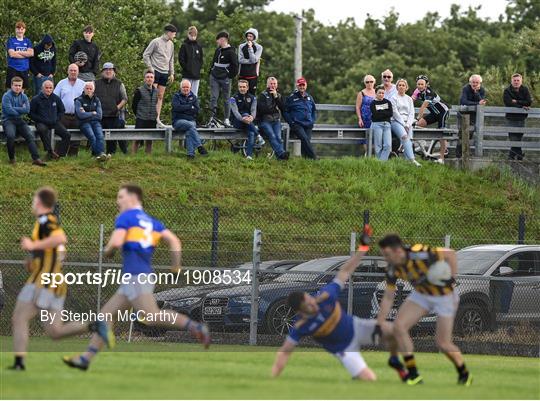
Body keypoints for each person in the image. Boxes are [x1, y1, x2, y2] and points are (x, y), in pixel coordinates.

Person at [63, 184, 211, 371]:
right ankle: (85, 359)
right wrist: (176, 266)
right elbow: (174, 241)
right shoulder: (152, 222)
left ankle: (196, 327)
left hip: (136, 277)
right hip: (137, 277)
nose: (118, 201)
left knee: (152, 315)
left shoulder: (126, 217)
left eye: (120, 197)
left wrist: (107, 250)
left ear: (133, 198)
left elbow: (115, 242)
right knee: (105, 316)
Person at [271, 226, 402, 381]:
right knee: (370, 379)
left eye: (310, 299)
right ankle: (358, 376)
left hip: (357, 327)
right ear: (300, 311)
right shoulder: (301, 325)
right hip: (344, 349)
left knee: (393, 331)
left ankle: (397, 364)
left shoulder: (325, 296)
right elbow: (285, 351)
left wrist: (363, 248)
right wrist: (273, 377)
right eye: (308, 306)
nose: (312, 304)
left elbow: (345, 272)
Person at [9, 187, 112, 371]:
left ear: (39, 203)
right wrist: (31, 254)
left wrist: (33, 245)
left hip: (44, 281)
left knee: (19, 317)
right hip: (55, 282)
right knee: (55, 332)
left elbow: (60, 238)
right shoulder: (41, 224)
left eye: (34, 199)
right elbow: (50, 251)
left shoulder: (45, 220)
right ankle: (94, 325)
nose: (33, 203)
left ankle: (19, 363)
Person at [376, 234, 472, 386]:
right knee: (399, 327)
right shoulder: (392, 269)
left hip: (444, 296)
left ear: (398, 251)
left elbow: (451, 254)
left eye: (387, 255)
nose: (385, 258)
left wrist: (452, 280)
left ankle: (464, 373)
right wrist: (379, 322)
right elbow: (388, 297)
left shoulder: (419, 252)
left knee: (443, 343)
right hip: (421, 295)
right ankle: (413, 374)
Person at [2, 77, 46, 166]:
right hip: (8, 120)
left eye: (19, 85)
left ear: (22, 86)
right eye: (15, 85)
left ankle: (36, 159)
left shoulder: (24, 96)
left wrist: (15, 109)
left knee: (30, 136)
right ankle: (12, 159)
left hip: (19, 120)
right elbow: (8, 110)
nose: (17, 87)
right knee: (10, 136)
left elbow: (27, 110)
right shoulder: (6, 96)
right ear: (11, 86)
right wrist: (21, 109)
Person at [143, 24, 177, 127]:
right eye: (174, 34)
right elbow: (146, 54)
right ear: (169, 32)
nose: (175, 36)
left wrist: (172, 73)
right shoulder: (156, 41)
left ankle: (157, 119)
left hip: (164, 72)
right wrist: (150, 68)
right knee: (151, 95)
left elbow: (171, 59)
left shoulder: (171, 44)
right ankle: (149, 118)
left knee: (160, 96)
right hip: (155, 70)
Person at [29, 80, 71, 159]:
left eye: (50, 88)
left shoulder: (56, 98)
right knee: (42, 130)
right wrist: (40, 119)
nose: (48, 89)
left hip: (54, 122)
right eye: (46, 88)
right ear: (42, 88)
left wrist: (57, 118)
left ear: (53, 88)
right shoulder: (36, 99)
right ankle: (50, 151)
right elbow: (31, 113)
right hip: (41, 122)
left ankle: (60, 155)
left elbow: (62, 110)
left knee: (67, 135)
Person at [412, 75, 448, 164]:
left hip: (443, 112)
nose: (420, 86)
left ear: (426, 85)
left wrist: (417, 118)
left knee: (441, 133)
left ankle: (442, 158)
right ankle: (422, 143)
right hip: (434, 113)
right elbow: (410, 101)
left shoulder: (429, 92)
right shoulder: (417, 91)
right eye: (418, 84)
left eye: (422, 84)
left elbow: (423, 106)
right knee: (418, 125)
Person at [94, 62, 128, 154]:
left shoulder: (119, 84)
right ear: (102, 72)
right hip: (99, 116)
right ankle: (97, 155)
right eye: (106, 70)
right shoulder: (95, 83)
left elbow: (124, 99)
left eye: (110, 70)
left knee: (112, 140)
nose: (108, 71)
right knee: (97, 137)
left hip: (113, 116)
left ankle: (111, 156)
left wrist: (117, 108)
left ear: (114, 72)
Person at [53, 64, 86, 156]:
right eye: (71, 70)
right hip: (64, 115)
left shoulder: (83, 84)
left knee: (76, 138)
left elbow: (88, 99)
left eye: (75, 70)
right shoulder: (61, 83)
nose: (73, 72)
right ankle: (58, 155)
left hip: (77, 115)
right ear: (67, 71)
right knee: (61, 135)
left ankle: (73, 156)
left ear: (78, 72)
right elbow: (55, 98)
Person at [172, 79, 207, 159]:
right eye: (184, 87)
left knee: (189, 130)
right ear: (181, 88)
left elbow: (197, 110)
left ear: (190, 88)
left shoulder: (193, 97)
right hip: (178, 121)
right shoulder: (176, 96)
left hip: (191, 121)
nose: (185, 89)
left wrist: (184, 108)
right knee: (191, 126)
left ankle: (190, 155)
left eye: (187, 87)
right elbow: (177, 108)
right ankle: (199, 146)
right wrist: (189, 107)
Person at [283, 77, 317, 160]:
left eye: (303, 85)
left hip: (308, 124)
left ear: (306, 85)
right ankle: (314, 158)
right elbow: (285, 111)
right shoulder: (291, 98)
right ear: (297, 86)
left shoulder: (309, 97)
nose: (302, 87)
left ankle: (305, 161)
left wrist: (312, 121)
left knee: (306, 141)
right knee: (305, 139)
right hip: (297, 124)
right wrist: (291, 122)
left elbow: (314, 110)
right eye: (300, 85)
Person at [75, 81, 109, 161]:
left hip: (95, 122)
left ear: (93, 90)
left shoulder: (97, 100)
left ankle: (98, 155)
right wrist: (92, 113)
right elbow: (80, 115)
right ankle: (100, 155)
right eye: (87, 88)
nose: (89, 90)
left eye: (90, 88)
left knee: (100, 136)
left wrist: (86, 114)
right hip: (83, 123)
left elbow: (99, 116)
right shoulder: (78, 100)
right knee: (92, 137)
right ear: (84, 89)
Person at [209, 31, 238, 126]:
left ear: (223, 40)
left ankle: (226, 119)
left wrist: (229, 76)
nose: (217, 42)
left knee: (226, 99)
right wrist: (211, 71)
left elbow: (235, 66)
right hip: (214, 77)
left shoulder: (231, 52)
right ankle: (212, 118)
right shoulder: (217, 50)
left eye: (218, 40)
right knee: (214, 98)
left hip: (225, 78)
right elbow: (213, 62)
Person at [257, 77, 289, 160]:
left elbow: (282, 107)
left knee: (278, 137)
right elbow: (263, 110)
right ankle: (282, 154)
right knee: (272, 135)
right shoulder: (262, 95)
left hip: (276, 121)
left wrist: (275, 97)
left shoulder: (279, 95)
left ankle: (281, 158)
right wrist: (274, 109)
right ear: (267, 84)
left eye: (274, 83)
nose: (273, 85)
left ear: (277, 85)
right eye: (271, 83)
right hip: (265, 121)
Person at [391, 79, 421, 166]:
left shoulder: (409, 99)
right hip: (396, 121)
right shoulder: (393, 98)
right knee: (404, 137)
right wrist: (404, 125)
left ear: (406, 87)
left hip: (408, 122)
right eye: (399, 85)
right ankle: (412, 160)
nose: (401, 86)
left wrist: (408, 124)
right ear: (397, 87)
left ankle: (407, 163)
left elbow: (412, 113)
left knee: (409, 140)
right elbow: (395, 113)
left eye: (403, 85)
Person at [503, 73, 532, 160]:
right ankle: (518, 155)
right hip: (511, 118)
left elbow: (529, 102)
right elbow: (508, 103)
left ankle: (512, 156)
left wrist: (516, 101)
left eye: (518, 80)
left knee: (518, 137)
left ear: (521, 81)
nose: (516, 82)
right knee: (513, 137)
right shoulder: (507, 91)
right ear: (511, 81)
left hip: (521, 118)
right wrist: (521, 105)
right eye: (514, 80)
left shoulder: (525, 89)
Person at [457, 74, 487, 158]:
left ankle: (466, 154)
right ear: (470, 82)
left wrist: (476, 93)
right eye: (473, 82)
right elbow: (463, 101)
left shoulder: (482, 90)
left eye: (477, 82)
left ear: (480, 83)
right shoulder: (466, 88)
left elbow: (482, 102)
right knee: (462, 134)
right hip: (463, 114)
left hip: (474, 116)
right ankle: (459, 155)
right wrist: (477, 103)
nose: (475, 84)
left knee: (470, 134)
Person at [230, 80, 258, 160]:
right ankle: (259, 135)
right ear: (238, 87)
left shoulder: (253, 98)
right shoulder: (233, 98)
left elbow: (253, 111)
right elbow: (235, 112)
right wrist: (243, 118)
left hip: (249, 122)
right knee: (245, 114)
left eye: (244, 87)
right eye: (240, 87)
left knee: (251, 133)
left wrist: (251, 118)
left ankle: (249, 156)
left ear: (247, 87)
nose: (242, 89)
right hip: (237, 121)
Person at [132, 70, 158, 154]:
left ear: (154, 79)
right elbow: (134, 106)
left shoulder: (156, 91)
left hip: (152, 119)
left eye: (151, 77)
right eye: (147, 77)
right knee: (137, 139)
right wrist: (139, 115)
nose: (149, 79)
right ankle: (132, 157)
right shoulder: (139, 90)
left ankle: (148, 158)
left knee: (150, 140)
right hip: (141, 118)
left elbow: (157, 104)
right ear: (144, 79)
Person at [6, 21, 33, 89]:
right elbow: (12, 54)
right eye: (18, 29)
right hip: (13, 68)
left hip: (24, 68)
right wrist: (25, 54)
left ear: (24, 30)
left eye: (22, 29)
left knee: (22, 90)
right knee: (11, 89)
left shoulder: (27, 41)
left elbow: (31, 53)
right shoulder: (11, 40)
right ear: (15, 30)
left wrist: (17, 51)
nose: (20, 31)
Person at [178, 26, 203, 97]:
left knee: (194, 95)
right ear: (188, 34)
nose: (193, 37)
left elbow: (201, 60)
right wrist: (187, 68)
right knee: (184, 93)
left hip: (196, 75)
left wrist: (198, 69)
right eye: (191, 35)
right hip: (187, 74)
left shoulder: (199, 46)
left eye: (194, 35)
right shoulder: (184, 46)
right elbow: (181, 59)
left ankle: (193, 108)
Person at [370, 85, 393, 161]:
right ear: (376, 93)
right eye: (379, 93)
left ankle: (381, 163)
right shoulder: (373, 103)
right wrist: (384, 112)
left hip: (387, 125)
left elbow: (390, 113)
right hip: (377, 125)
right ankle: (380, 165)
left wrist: (380, 111)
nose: (381, 95)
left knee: (388, 145)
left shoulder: (387, 102)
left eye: (383, 93)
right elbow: (375, 115)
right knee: (378, 146)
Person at [238, 28, 263, 95]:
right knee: (241, 94)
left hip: (253, 75)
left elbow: (254, 60)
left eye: (250, 36)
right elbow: (240, 60)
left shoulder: (259, 47)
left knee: (251, 95)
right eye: (247, 36)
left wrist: (250, 48)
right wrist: (251, 61)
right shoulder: (241, 46)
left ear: (254, 37)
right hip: (242, 75)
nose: (248, 38)